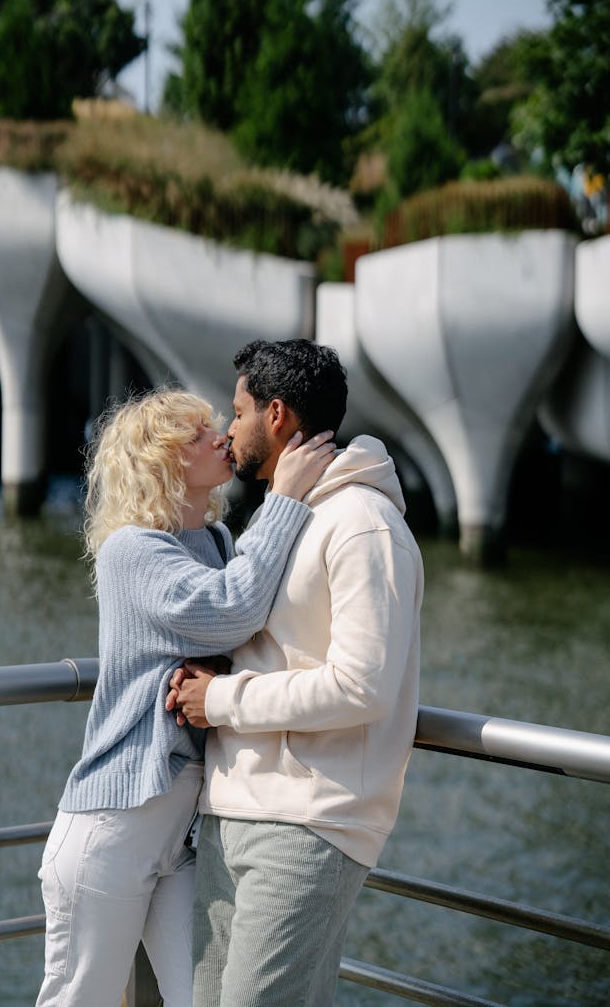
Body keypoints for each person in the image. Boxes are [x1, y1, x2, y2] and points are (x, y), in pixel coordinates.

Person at [35, 387, 336, 1007]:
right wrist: (282, 500)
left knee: (206, 997)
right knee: (79, 999)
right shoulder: (132, 550)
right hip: (114, 823)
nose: (222, 436)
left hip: (185, 827)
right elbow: (231, 611)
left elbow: (248, 604)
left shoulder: (221, 542)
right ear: (164, 459)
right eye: (199, 434)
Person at [168, 339, 424, 1007]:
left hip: (311, 821)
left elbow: (361, 683)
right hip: (231, 808)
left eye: (238, 410)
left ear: (276, 414)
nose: (229, 429)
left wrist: (221, 698)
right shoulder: (287, 516)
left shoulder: (365, 525)